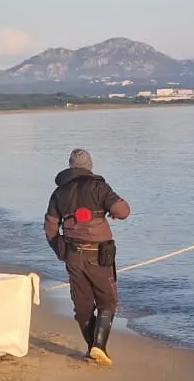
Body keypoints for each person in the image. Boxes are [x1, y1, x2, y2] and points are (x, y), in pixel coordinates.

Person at [43, 148, 130, 365]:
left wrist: (60, 251)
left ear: (70, 166)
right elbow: (123, 210)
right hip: (98, 254)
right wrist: (112, 212)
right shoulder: (98, 187)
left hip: (73, 255)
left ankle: (91, 348)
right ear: (90, 165)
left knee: (82, 305)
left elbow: (50, 227)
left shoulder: (59, 193)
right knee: (107, 300)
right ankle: (99, 346)